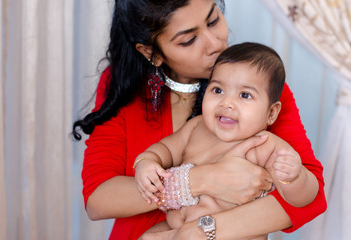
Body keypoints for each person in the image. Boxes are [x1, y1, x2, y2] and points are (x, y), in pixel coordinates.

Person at [72, 0, 326, 239]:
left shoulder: (258, 86)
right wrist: (203, 179)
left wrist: (202, 231)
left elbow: (310, 196)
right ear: (152, 52)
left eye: (214, 20)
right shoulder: (124, 86)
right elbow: (98, 199)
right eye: (189, 40)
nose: (214, 44)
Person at [134, 42, 319, 240]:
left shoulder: (264, 145)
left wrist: (294, 177)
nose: (227, 103)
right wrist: (147, 161)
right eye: (218, 90)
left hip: (228, 235)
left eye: (245, 95)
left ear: (271, 113)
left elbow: (305, 198)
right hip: (176, 229)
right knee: (146, 237)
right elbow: (166, 150)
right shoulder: (196, 127)